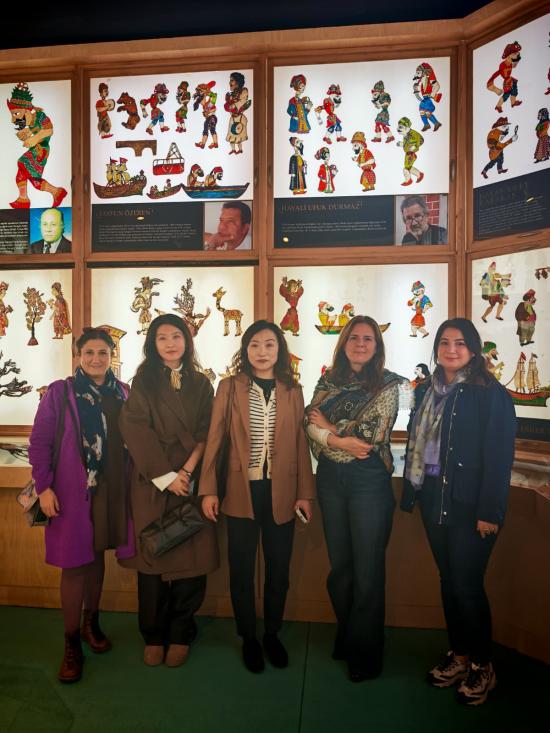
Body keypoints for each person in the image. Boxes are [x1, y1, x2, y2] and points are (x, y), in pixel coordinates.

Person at [403, 318, 516, 706]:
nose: (451, 349)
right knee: (449, 581)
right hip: (434, 496)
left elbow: (499, 456)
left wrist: (490, 511)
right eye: (444, 342)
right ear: (436, 348)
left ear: (473, 349)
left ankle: (483, 665)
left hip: (471, 505)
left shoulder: (489, 392)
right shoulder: (426, 390)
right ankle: (460, 655)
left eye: (460, 343)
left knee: (467, 586)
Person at [199, 320, 314, 673]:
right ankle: (248, 636)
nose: (262, 352)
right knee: (242, 570)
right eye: (254, 345)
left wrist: (304, 493)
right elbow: (215, 438)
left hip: (283, 492)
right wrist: (208, 489)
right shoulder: (229, 387)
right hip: (240, 490)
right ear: (245, 350)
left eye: (269, 345)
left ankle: (272, 633)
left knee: (279, 570)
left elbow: (301, 443)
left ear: (279, 350)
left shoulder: (293, 390)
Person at [305, 315, 409, 682]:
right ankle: (348, 633)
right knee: (341, 567)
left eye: (368, 338)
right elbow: (308, 421)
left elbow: (369, 438)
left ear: (377, 346)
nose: (360, 344)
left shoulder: (390, 384)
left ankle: (365, 653)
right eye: (354, 337)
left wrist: (328, 429)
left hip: (369, 481)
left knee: (367, 570)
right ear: (344, 343)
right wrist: (337, 439)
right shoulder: (328, 381)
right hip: (330, 479)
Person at [28, 328, 134, 683]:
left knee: (98, 556)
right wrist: (44, 487)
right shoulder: (61, 392)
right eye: (89, 352)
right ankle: (71, 642)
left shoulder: (123, 392)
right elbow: (39, 442)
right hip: (71, 492)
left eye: (103, 353)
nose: (96, 359)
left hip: (110, 491)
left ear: (112, 356)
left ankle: (92, 623)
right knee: (74, 565)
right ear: (78, 355)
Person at [119, 314, 218, 668]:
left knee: (192, 561)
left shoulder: (202, 383)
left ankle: (180, 633)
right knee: (153, 559)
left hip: (190, 480)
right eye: (162, 337)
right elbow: (134, 429)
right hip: (153, 481)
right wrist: (165, 475)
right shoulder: (142, 382)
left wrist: (186, 472)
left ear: (187, 341)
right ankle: (153, 635)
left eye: (177, 336)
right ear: (153, 344)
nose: (171, 343)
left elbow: (208, 430)